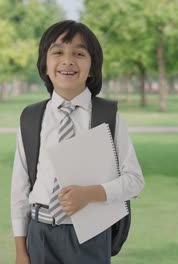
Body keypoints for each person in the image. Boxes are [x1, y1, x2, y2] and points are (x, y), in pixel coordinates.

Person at [10, 20, 145, 264]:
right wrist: (21, 249)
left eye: (79, 53)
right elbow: (19, 189)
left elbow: (134, 181)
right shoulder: (31, 118)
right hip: (39, 234)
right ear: (45, 64)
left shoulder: (107, 117)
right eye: (58, 52)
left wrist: (91, 194)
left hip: (90, 236)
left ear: (92, 68)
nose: (68, 60)